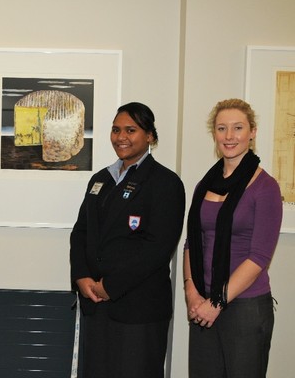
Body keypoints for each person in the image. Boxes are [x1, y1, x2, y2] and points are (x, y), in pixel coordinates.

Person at [70, 102, 185, 378]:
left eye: (131, 130)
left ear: (150, 136)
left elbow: (157, 249)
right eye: (116, 130)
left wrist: (110, 286)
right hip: (96, 306)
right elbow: (80, 233)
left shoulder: (166, 183)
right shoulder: (100, 180)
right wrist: (81, 277)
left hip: (138, 310)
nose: (121, 137)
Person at [184, 99, 282, 378]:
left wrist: (216, 303)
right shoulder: (205, 184)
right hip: (202, 303)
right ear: (214, 134)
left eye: (238, 128)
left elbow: (259, 257)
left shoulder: (266, 188)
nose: (229, 136)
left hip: (245, 308)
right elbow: (193, 241)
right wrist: (192, 292)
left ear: (252, 132)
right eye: (222, 128)